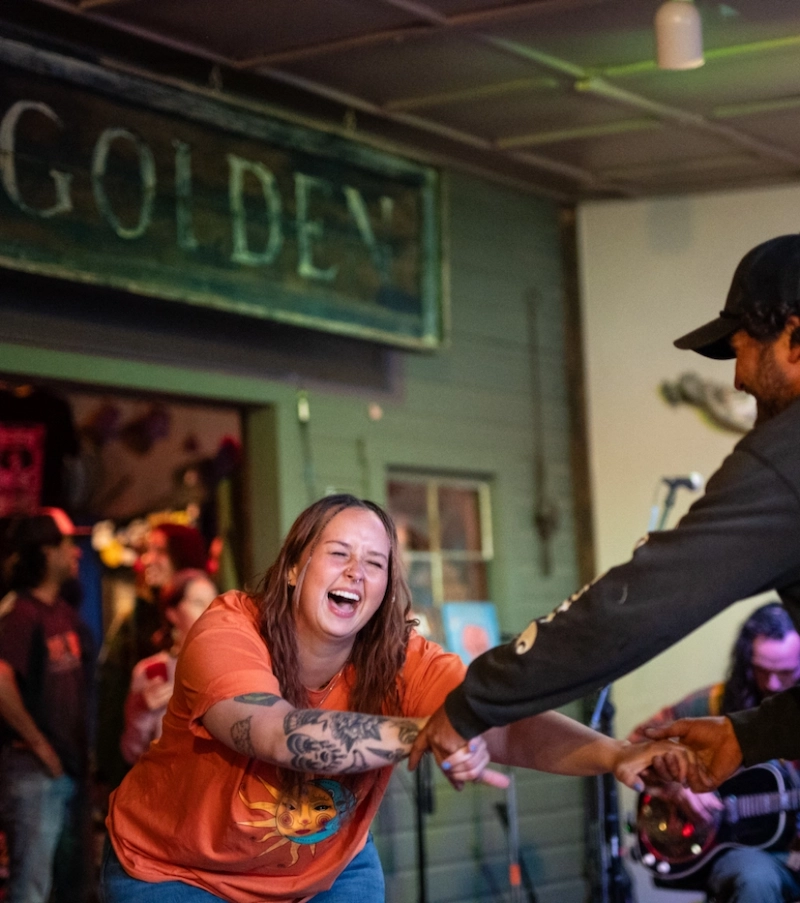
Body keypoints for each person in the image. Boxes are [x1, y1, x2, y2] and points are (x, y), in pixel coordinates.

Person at [102, 494, 683, 903]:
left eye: (374, 563)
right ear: (294, 568)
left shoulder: (403, 659)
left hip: (322, 870)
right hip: (178, 871)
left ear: (385, 589)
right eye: (338, 554)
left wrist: (615, 755)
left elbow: (502, 724)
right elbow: (278, 734)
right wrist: (432, 732)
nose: (356, 572)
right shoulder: (230, 626)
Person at [409, 233, 800, 794]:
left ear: (794, 334)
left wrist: (475, 701)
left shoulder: (788, 460)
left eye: (740, 347)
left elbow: (641, 601)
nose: (737, 378)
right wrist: (752, 735)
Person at [629, 602, 800, 903]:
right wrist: (674, 786)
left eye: (786, 673)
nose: (772, 684)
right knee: (754, 880)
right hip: (748, 857)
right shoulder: (715, 704)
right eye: (762, 671)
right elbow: (635, 745)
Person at [0, 508, 90, 903]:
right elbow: (0, 682)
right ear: (47, 552)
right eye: (67, 544)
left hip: (64, 769)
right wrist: (40, 747)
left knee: (66, 884)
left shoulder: (62, 612)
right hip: (34, 771)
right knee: (31, 887)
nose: (76, 553)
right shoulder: (19, 612)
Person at [95, 521, 208, 789]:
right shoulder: (135, 619)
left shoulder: (217, 618)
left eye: (159, 551)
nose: (147, 560)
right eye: (147, 551)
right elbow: (111, 697)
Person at [120, 568, 217, 764]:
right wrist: (142, 710)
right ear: (172, 613)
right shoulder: (154, 671)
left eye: (215, 603)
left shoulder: (232, 664)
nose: (210, 611)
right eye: (198, 603)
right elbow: (132, 753)